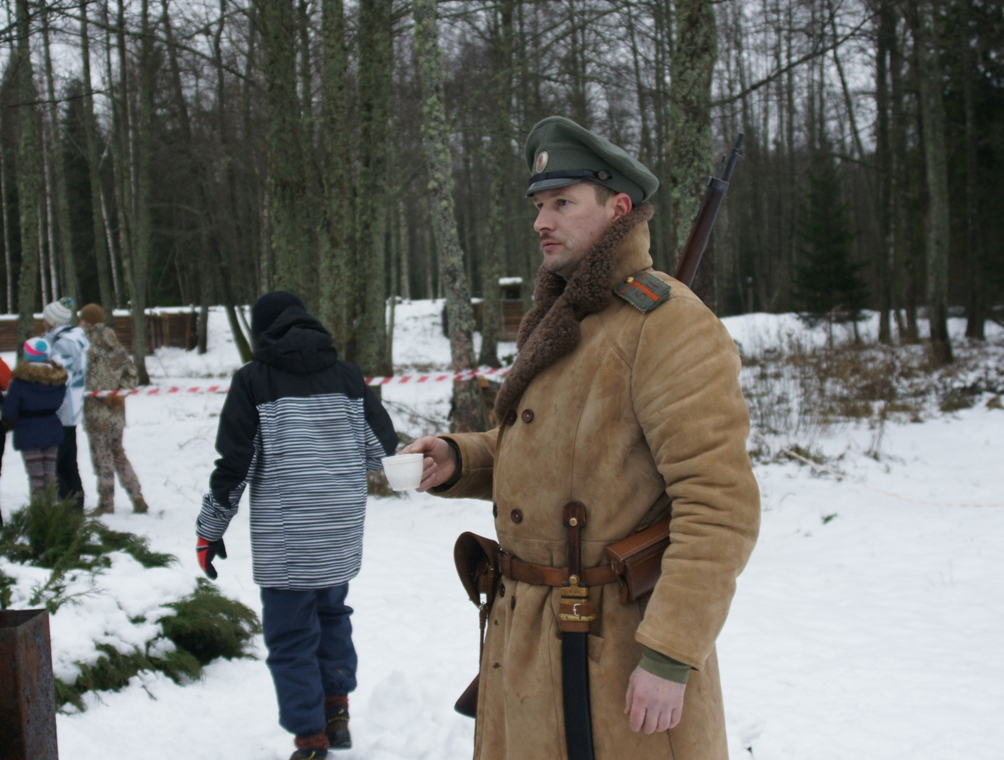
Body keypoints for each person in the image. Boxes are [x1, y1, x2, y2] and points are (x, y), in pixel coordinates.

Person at [403, 116, 761, 760]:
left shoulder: (668, 324)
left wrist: (672, 654)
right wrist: (458, 458)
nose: (542, 221)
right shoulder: (565, 318)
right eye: (540, 205)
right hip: (526, 642)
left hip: (617, 654)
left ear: (618, 208)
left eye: (562, 203)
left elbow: (719, 504)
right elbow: (548, 452)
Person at [195, 292, 399, 760]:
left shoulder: (254, 380)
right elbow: (380, 448)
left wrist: (210, 529)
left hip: (287, 539)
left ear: (261, 330)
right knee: (332, 616)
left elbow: (235, 465)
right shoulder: (346, 375)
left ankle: (310, 740)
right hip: (340, 531)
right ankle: (337, 713)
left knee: (290, 637)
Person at [78, 304, 148, 515]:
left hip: (96, 412)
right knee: (118, 453)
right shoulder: (116, 345)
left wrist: (106, 397)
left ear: (88, 322)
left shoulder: (86, 346)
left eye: (81, 320)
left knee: (102, 457)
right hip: (117, 413)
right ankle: (137, 497)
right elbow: (132, 375)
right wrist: (120, 394)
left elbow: (87, 378)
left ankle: (106, 503)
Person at [1, 338, 67, 498]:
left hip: (28, 432)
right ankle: (51, 515)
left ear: (27, 354)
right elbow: (61, 404)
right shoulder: (58, 379)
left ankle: (40, 515)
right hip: (52, 429)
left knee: (36, 478)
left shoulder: (21, 381)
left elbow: (9, 410)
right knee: (50, 476)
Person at [42, 297, 89, 509]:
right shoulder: (69, 339)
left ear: (53, 322)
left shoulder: (64, 344)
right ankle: (75, 509)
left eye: (46, 318)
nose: (43, 321)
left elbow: (61, 376)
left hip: (61, 411)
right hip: (68, 410)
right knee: (68, 464)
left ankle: (68, 510)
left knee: (56, 466)